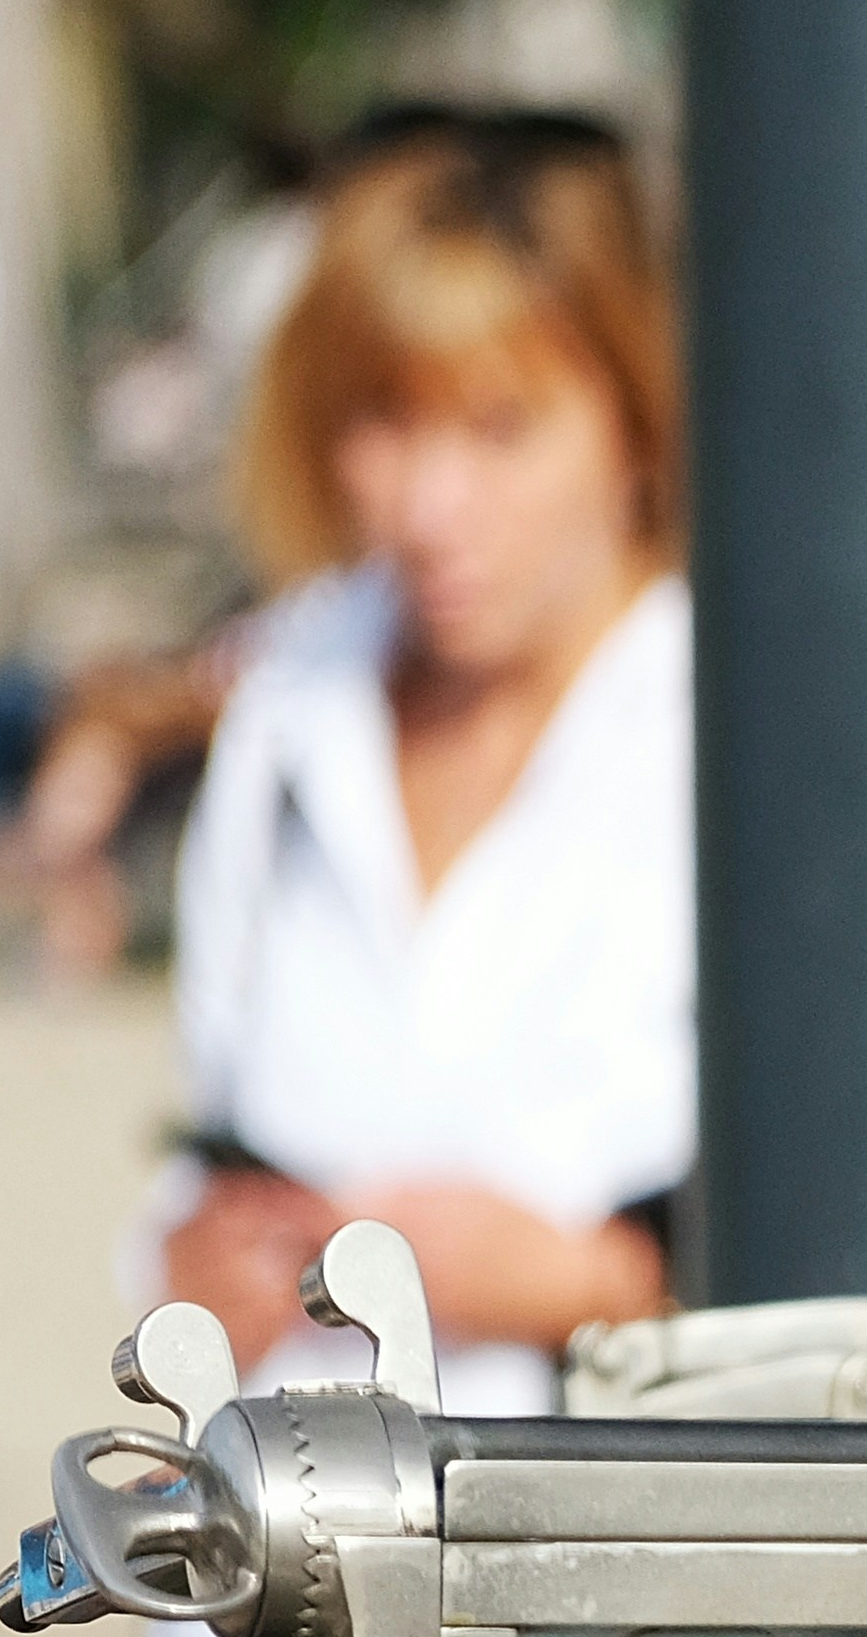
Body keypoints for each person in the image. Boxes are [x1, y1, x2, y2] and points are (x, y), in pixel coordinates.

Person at [143, 108, 691, 1413]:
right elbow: (197, 1139)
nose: (431, 505)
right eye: (384, 422)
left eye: (502, 427)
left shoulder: (733, 749)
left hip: (597, 1574)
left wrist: (595, 1280)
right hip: (268, 1563)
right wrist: (193, 1258)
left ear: (637, 418)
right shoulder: (289, 701)